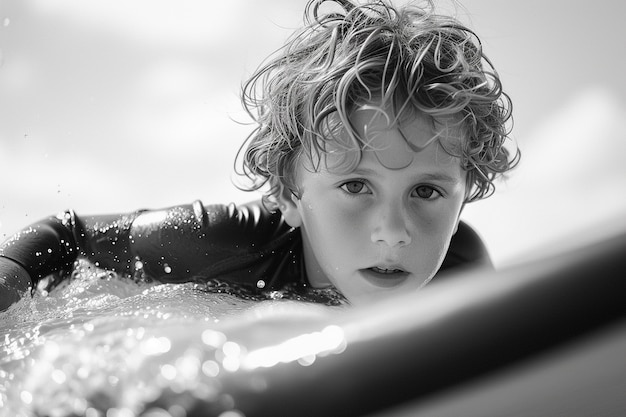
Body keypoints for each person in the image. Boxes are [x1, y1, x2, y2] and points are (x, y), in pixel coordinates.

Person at [0, 0, 518, 311]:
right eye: (356, 186)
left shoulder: (464, 267)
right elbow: (63, 237)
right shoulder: (231, 243)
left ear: (464, 194)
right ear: (288, 194)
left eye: (426, 192)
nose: (394, 230)